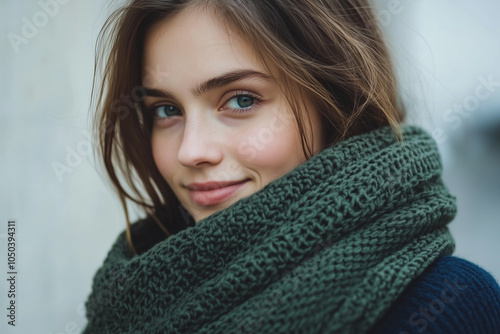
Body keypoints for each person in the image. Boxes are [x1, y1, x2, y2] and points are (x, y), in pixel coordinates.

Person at [83, 0, 500, 333]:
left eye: (241, 100)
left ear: (335, 103)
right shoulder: (130, 300)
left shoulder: (448, 304)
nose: (190, 151)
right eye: (167, 109)